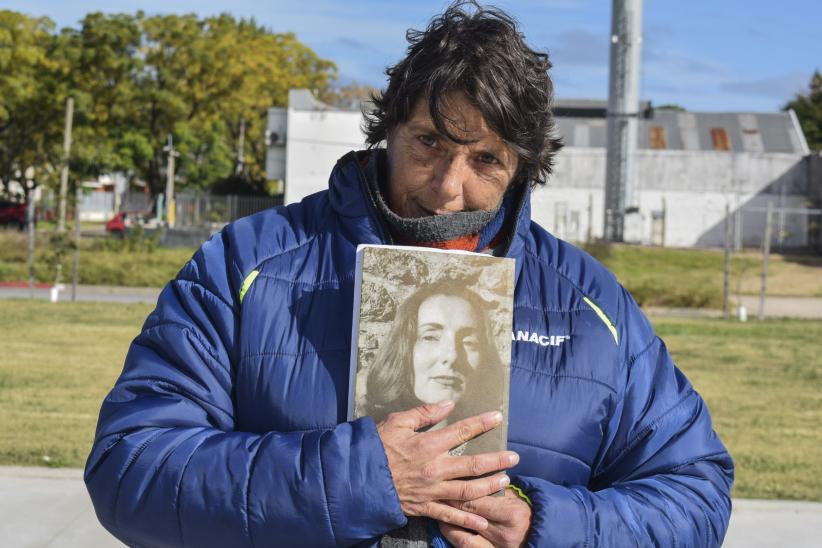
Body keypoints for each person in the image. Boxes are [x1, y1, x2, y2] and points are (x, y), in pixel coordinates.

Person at [86, 2, 733, 547]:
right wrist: (359, 478)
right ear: (389, 128)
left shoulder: (590, 306)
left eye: (485, 158)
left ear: (523, 168)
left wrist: (545, 523)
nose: (449, 188)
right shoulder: (248, 265)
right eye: (429, 143)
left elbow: (696, 494)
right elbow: (129, 468)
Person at [362, 280, 507, 457]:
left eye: (469, 342)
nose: (452, 356)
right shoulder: (362, 439)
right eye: (430, 337)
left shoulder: (493, 449)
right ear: (404, 349)